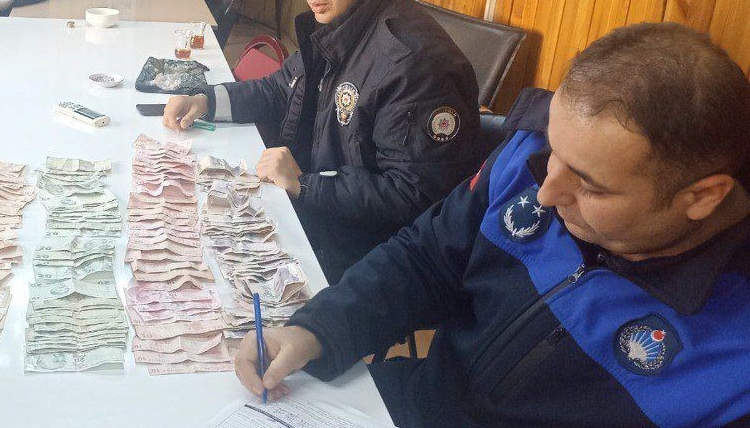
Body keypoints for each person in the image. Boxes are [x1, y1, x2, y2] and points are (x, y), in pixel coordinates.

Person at [233, 23, 750, 427]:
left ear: (702, 197)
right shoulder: (531, 156)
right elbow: (427, 256)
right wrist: (316, 330)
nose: (545, 193)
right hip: (410, 402)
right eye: (554, 151)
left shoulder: (734, 358)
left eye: (591, 186)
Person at [163, 0, 480, 281]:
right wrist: (207, 100)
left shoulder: (415, 63)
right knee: (181, 223)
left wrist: (305, 186)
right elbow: (282, 87)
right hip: (321, 208)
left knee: (206, 264)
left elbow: (414, 196)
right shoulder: (344, 20)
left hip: (371, 252)